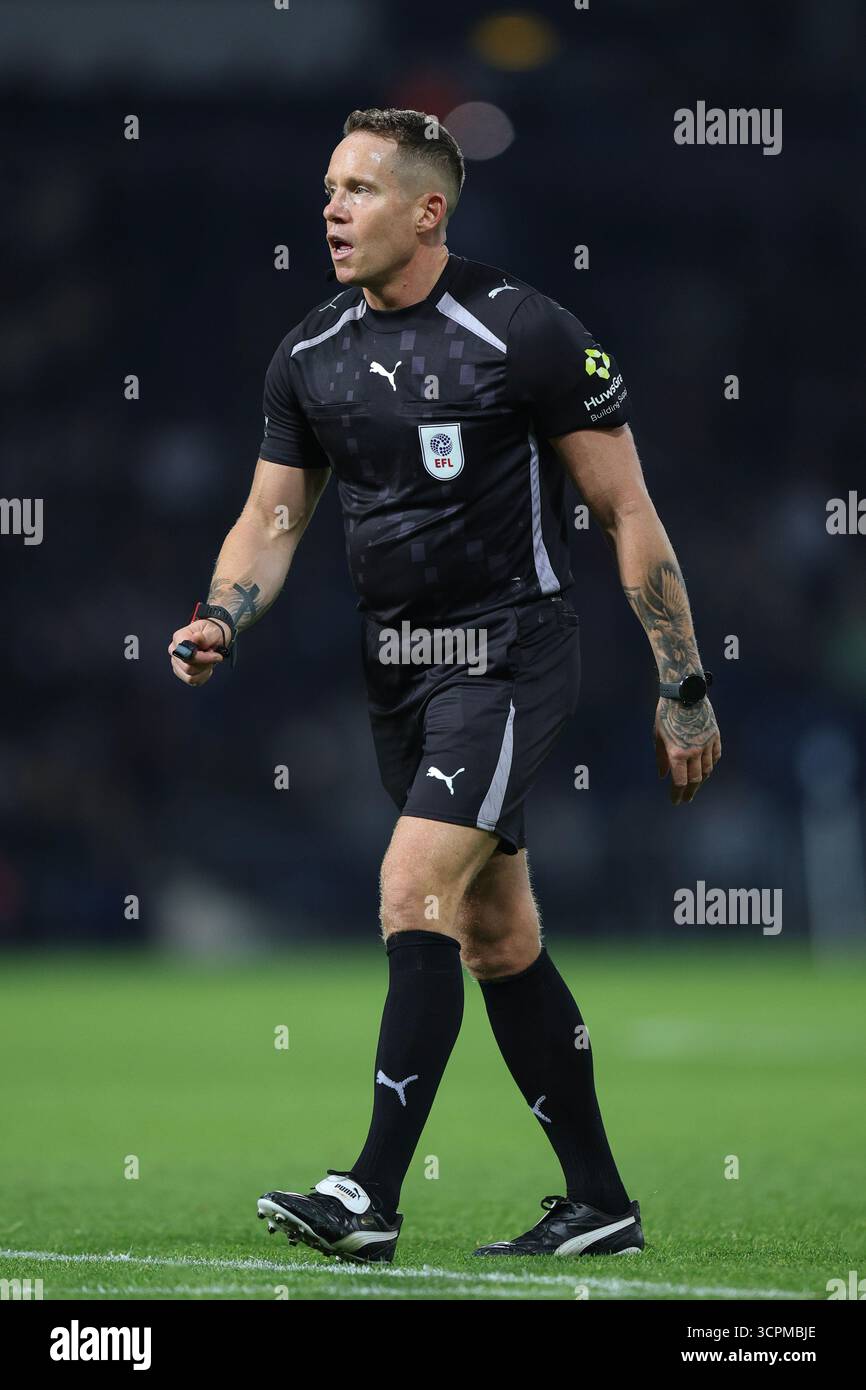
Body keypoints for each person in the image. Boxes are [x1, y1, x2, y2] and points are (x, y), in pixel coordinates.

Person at [168, 107, 721, 1263]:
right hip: (398, 671)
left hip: (508, 653)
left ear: (427, 210)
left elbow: (626, 512)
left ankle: (367, 1191)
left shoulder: (524, 330)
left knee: (409, 886)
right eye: (326, 186)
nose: (330, 207)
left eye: (358, 189)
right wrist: (223, 612)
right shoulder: (309, 353)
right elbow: (271, 518)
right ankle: (597, 1202)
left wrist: (681, 680)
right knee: (495, 934)